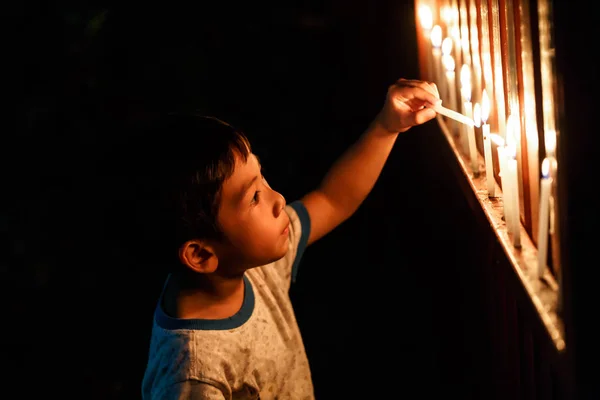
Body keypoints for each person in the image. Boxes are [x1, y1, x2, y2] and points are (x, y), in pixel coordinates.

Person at [139, 78, 441, 399]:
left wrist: (387, 127)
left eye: (262, 176)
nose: (278, 199)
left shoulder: (245, 263)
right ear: (200, 255)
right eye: (254, 196)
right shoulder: (196, 378)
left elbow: (333, 199)